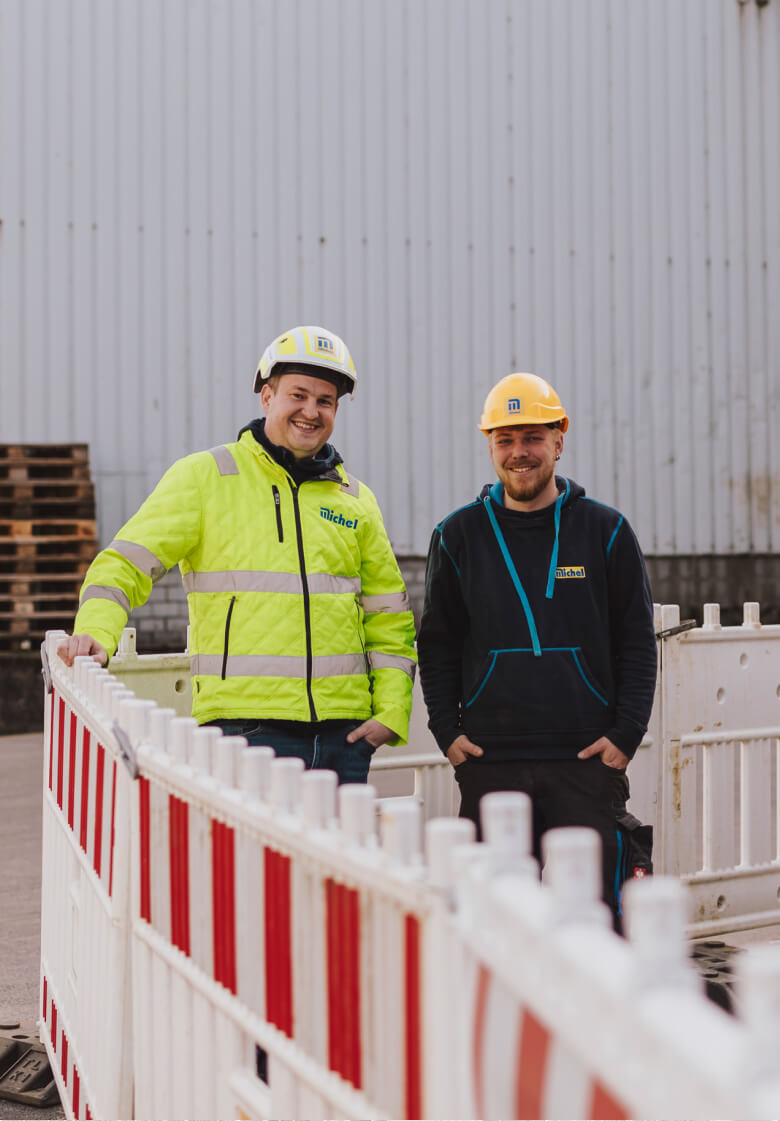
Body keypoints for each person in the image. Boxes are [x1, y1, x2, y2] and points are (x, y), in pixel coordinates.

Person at [58, 325, 417, 783]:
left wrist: (390, 711)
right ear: (267, 397)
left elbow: (388, 616)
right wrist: (95, 631)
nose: (311, 411)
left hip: (343, 738)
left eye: (325, 401)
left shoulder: (355, 500)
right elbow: (124, 563)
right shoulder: (205, 478)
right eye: (298, 395)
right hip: (244, 731)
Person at [417, 372, 656, 923]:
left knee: (596, 925)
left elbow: (637, 642)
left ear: (559, 439)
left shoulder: (607, 531)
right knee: (494, 926)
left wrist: (625, 735)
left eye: (532, 437)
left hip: (586, 758)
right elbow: (438, 643)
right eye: (505, 439)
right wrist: (447, 733)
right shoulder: (457, 535)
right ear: (489, 445)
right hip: (489, 762)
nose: (519, 453)